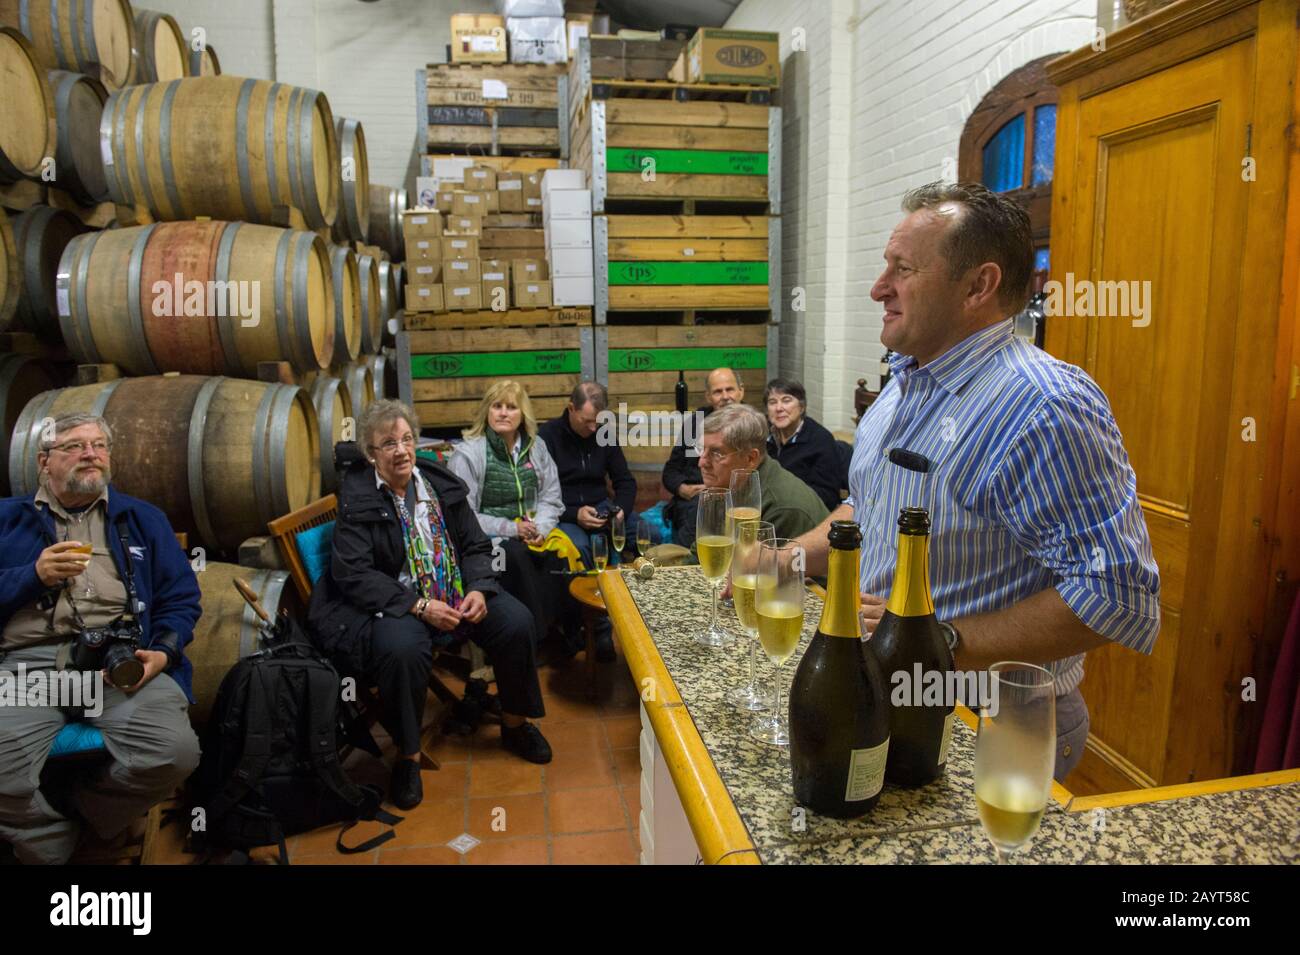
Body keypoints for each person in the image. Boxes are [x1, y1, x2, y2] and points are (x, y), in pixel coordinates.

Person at [793, 182, 1161, 783]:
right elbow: (873, 507)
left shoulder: (1045, 406)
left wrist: (932, 639)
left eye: (902, 269)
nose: (878, 288)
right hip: (890, 698)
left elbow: (1118, 596)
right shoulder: (907, 381)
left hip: (990, 722)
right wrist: (785, 558)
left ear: (978, 286)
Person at [308, 400, 551, 812]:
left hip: (454, 590)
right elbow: (354, 575)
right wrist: (418, 605)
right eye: (388, 443)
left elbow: (475, 544)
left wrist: (478, 587)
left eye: (406, 439)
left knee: (515, 621)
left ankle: (515, 724)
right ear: (371, 454)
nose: (401, 450)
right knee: (401, 650)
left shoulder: (438, 484)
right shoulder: (358, 497)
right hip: (398, 601)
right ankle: (408, 757)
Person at [0, 413, 201, 865]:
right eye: (74, 445)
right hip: (26, 667)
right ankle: (51, 839)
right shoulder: (6, 520)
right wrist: (30, 575)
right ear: (43, 461)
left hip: (114, 664)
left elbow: (182, 600)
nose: (90, 453)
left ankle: (85, 813)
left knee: (174, 754)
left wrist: (164, 654)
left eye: (99, 445)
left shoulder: (141, 518)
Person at [447, 381, 567, 650]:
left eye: (511, 407)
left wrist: (540, 528)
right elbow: (464, 516)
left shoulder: (537, 447)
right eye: (496, 406)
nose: (503, 413)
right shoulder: (468, 454)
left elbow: (552, 497)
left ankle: (565, 632)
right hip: (484, 538)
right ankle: (535, 641)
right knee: (515, 556)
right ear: (486, 412)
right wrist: (511, 529)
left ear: (522, 414)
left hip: (531, 530)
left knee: (562, 553)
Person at [538, 381, 636, 568]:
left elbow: (625, 481)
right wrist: (574, 515)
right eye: (587, 421)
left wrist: (621, 509)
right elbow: (539, 494)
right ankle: (586, 595)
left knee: (648, 534)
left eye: (597, 422)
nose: (593, 428)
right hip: (563, 511)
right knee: (580, 549)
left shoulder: (604, 434)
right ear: (571, 408)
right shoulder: (547, 436)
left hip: (602, 508)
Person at [698, 403, 829, 542]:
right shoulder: (731, 486)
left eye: (717, 453)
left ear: (750, 458)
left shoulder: (782, 509)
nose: (701, 463)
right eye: (701, 449)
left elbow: (760, 563)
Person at [662, 367, 746, 548]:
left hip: (735, 499)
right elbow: (671, 470)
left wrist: (713, 488)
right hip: (692, 500)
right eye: (718, 391)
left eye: (729, 389)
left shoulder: (752, 425)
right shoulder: (695, 423)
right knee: (695, 509)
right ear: (708, 397)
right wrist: (681, 488)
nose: (725, 396)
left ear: (741, 391)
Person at [764, 377, 847, 512]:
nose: (779, 408)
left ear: (801, 407)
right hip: (769, 508)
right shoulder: (763, 435)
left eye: (786, 400)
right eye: (772, 402)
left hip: (804, 512)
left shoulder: (820, 440)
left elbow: (828, 496)